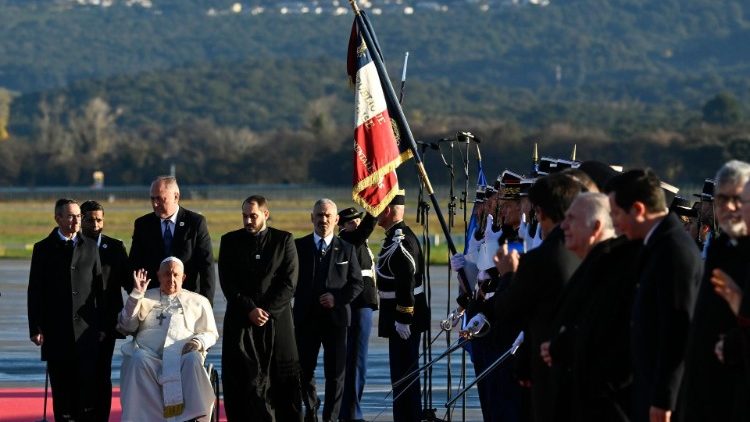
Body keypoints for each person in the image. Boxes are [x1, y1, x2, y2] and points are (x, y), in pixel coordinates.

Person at [605, 169, 702, 422]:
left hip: (663, 400)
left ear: (638, 209)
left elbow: (678, 330)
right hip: (644, 385)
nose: (613, 223)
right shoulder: (654, 245)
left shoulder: (673, 250)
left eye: (616, 214)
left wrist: (664, 399)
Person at [492, 173, 583, 422]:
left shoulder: (541, 258)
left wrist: (508, 275)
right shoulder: (582, 250)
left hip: (546, 369)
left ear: (540, 213)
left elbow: (507, 310)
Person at [540, 192, 639, 422]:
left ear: (595, 227)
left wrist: (563, 346)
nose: (563, 225)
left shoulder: (612, 270)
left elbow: (609, 336)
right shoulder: (591, 265)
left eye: (572, 219)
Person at [218, 195, 302, 421]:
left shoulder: (283, 241)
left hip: (276, 322)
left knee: (283, 383)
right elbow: (228, 283)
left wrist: (266, 310)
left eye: (253, 216)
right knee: (243, 382)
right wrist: (250, 309)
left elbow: (289, 282)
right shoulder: (229, 241)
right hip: (242, 321)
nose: (248, 221)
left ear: (265, 214)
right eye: (244, 216)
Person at [678, 160, 750, 422]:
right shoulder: (721, 248)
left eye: (737, 199)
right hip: (703, 385)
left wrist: (740, 305)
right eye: (721, 199)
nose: (728, 208)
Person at [28, 198, 105, 422]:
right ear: (58, 218)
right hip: (56, 332)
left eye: (78, 216)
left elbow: (99, 290)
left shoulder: (90, 246)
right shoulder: (42, 249)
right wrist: (36, 327)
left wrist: (101, 325)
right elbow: (35, 292)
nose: (76, 220)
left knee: (86, 390)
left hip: (86, 333)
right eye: (70, 216)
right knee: (62, 391)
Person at [118, 257, 218, 422]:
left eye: (176, 275)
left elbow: (210, 333)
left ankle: (192, 417)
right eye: (167, 274)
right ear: (158, 275)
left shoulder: (199, 301)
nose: (171, 279)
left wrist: (197, 342)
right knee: (137, 358)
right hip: (149, 358)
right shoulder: (145, 297)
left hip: (182, 357)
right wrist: (136, 295)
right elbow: (126, 325)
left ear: (183, 277)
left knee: (193, 359)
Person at [294, 199, 363, 422]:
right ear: (311, 218)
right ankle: (312, 408)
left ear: (336, 220)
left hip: (336, 321)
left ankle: (330, 418)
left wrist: (337, 298)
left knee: (336, 375)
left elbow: (356, 284)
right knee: (303, 371)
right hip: (306, 320)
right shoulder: (298, 247)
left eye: (327, 216)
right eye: (319, 215)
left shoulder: (347, 249)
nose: (323, 220)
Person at [375, 192, 430, 422]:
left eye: (379, 208)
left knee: (405, 376)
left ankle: (409, 418)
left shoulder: (401, 241)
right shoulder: (394, 238)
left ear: (388, 210)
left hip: (403, 320)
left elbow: (406, 281)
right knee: (401, 375)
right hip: (398, 317)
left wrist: (403, 318)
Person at [129, 175, 216, 304]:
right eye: (152, 199)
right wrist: (138, 297)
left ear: (176, 197)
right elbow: (134, 264)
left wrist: (206, 304)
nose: (155, 203)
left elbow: (206, 267)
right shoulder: (143, 225)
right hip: (152, 300)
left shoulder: (195, 223)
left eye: (159, 198)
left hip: (188, 300)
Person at [80, 200, 128, 422]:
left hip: (106, 324)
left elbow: (128, 283)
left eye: (99, 219)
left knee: (102, 375)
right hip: (79, 324)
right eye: (90, 220)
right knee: (81, 375)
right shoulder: (73, 246)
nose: (95, 224)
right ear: (81, 220)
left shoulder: (115, 247)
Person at [336, 207, 378, 422]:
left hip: (363, 303)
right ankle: (352, 412)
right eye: (352, 222)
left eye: (358, 220)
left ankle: (350, 410)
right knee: (355, 360)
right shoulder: (347, 239)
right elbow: (367, 228)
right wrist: (376, 206)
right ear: (342, 225)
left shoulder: (354, 239)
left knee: (357, 360)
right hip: (358, 303)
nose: (357, 224)